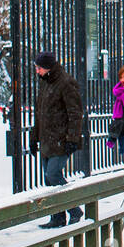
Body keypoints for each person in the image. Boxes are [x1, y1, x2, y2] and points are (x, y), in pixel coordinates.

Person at [30, 51, 84, 229]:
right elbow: (40, 114)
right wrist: (34, 138)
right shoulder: (45, 84)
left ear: (47, 67)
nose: (37, 71)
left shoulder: (66, 83)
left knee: (52, 174)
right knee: (49, 180)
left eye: (39, 68)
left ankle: (74, 209)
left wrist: (72, 138)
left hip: (61, 139)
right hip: (47, 140)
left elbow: (75, 113)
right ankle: (58, 216)